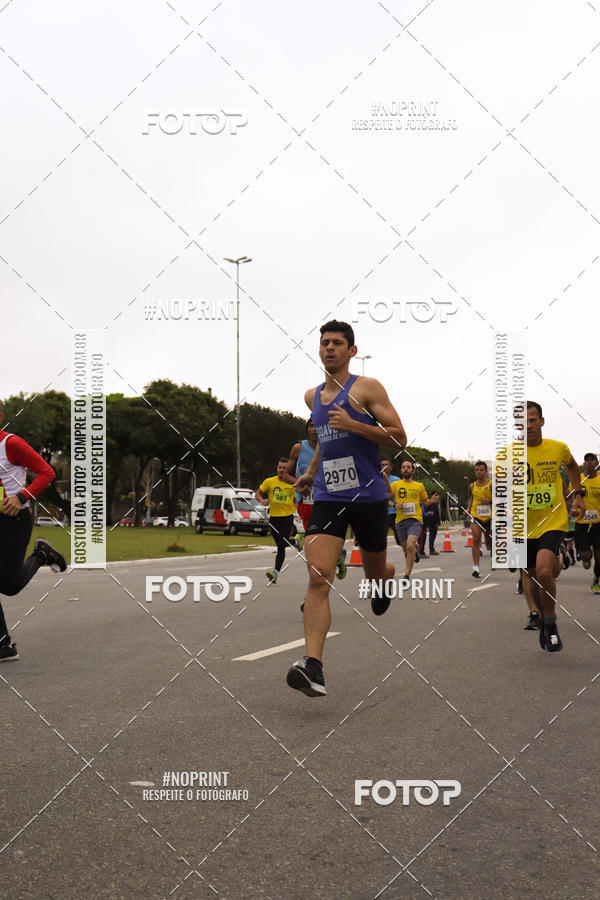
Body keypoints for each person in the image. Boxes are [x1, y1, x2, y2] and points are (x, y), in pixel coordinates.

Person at [286, 320, 406, 697]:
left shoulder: (367, 388)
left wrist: (355, 424)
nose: (330, 348)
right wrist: (308, 472)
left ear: (352, 351)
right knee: (319, 575)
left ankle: (384, 579)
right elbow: (325, 440)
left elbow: (400, 438)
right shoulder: (312, 397)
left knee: (374, 570)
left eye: (338, 343)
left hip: (368, 498)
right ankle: (314, 667)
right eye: (324, 343)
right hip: (328, 496)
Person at [0, 402, 67, 661]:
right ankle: (4, 644)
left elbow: (46, 472)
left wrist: (21, 496)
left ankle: (41, 554)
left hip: (14, 520)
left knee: (8, 586)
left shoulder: (11, 444)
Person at [519, 402, 584, 650]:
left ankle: (550, 620)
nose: (528, 426)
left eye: (532, 420)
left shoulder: (558, 448)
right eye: (522, 423)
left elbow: (573, 467)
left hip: (553, 520)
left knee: (544, 571)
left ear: (542, 422)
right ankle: (544, 618)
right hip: (523, 525)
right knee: (533, 574)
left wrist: (578, 495)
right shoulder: (509, 454)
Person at [284, 420, 347, 579]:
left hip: (329, 500)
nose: (314, 429)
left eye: (317, 426)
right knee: (314, 544)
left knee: (325, 541)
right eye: (311, 426)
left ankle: (334, 560)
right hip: (306, 502)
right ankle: (324, 573)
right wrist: (298, 487)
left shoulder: (332, 447)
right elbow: (285, 474)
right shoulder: (298, 448)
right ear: (307, 429)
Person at [255, 458, 297, 584]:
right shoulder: (270, 481)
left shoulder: (293, 483)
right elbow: (258, 494)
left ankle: (275, 572)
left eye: (284, 468)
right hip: (273, 518)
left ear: (288, 469)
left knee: (281, 545)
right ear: (277, 468)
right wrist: (262, 500)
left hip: (287, 516)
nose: (282, 470)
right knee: (280, 544)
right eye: (280, 468)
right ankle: (295, 541)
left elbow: (302, 493)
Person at [390, 460, 434, 581]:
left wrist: (432, 500)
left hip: (415, 520)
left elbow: (425, 502)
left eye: (408, 467)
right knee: (405, 548)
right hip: (400, 521)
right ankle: (415, 551)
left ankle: (406, 575)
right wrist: (394, 505)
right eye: (403, 467)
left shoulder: (419, 486)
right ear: (400, 470)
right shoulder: (395, 485)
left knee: (410, 545)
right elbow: (385, 499)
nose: (406, 469)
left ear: (412, 470)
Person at [571, 452, 600, 593]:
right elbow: (571, 499)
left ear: (597, 463)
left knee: (599, 556)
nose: (589, 462)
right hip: (581, 523)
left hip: (598, 523)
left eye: (592, 460)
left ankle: (597, 579)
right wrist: (573, 509)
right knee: (585, 555)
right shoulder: (578, 481)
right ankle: (587, 556)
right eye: (586, 460)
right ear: (583, 464)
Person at [466, 461, 493, 577]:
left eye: (481, 470)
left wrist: (490, 501)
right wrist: (468, 508)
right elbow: (472, 498)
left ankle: (492, 551)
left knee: (490, 541)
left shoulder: (492, 485)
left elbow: (501, 499)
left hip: (490, 516)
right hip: (476, 515)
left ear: (486, 471)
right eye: (477, 470)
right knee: (476, 539)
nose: (479, 472)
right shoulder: (472, 486)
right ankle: (476, 567)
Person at [381, 459, 401, 545]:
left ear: (391, 467)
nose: (384, 466)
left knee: (399, 540)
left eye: (386, 465)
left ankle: (411, 550)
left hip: (394, 513)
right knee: (380, 538)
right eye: (382, 465)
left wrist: (394, 505)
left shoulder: (397, 480)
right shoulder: (376, 479)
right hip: (382, 512)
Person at [421, 491, 440, 556]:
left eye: (437, 495)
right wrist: (436, 523)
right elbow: (433, 514)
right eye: (435, 495)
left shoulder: (434, 503)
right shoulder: (431, 503)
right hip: (431, 522)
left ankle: (430, 549)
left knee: (430, 536)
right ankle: (430, 550)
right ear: (432, 496)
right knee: (431, 536)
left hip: (428, 521)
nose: (437, 497)